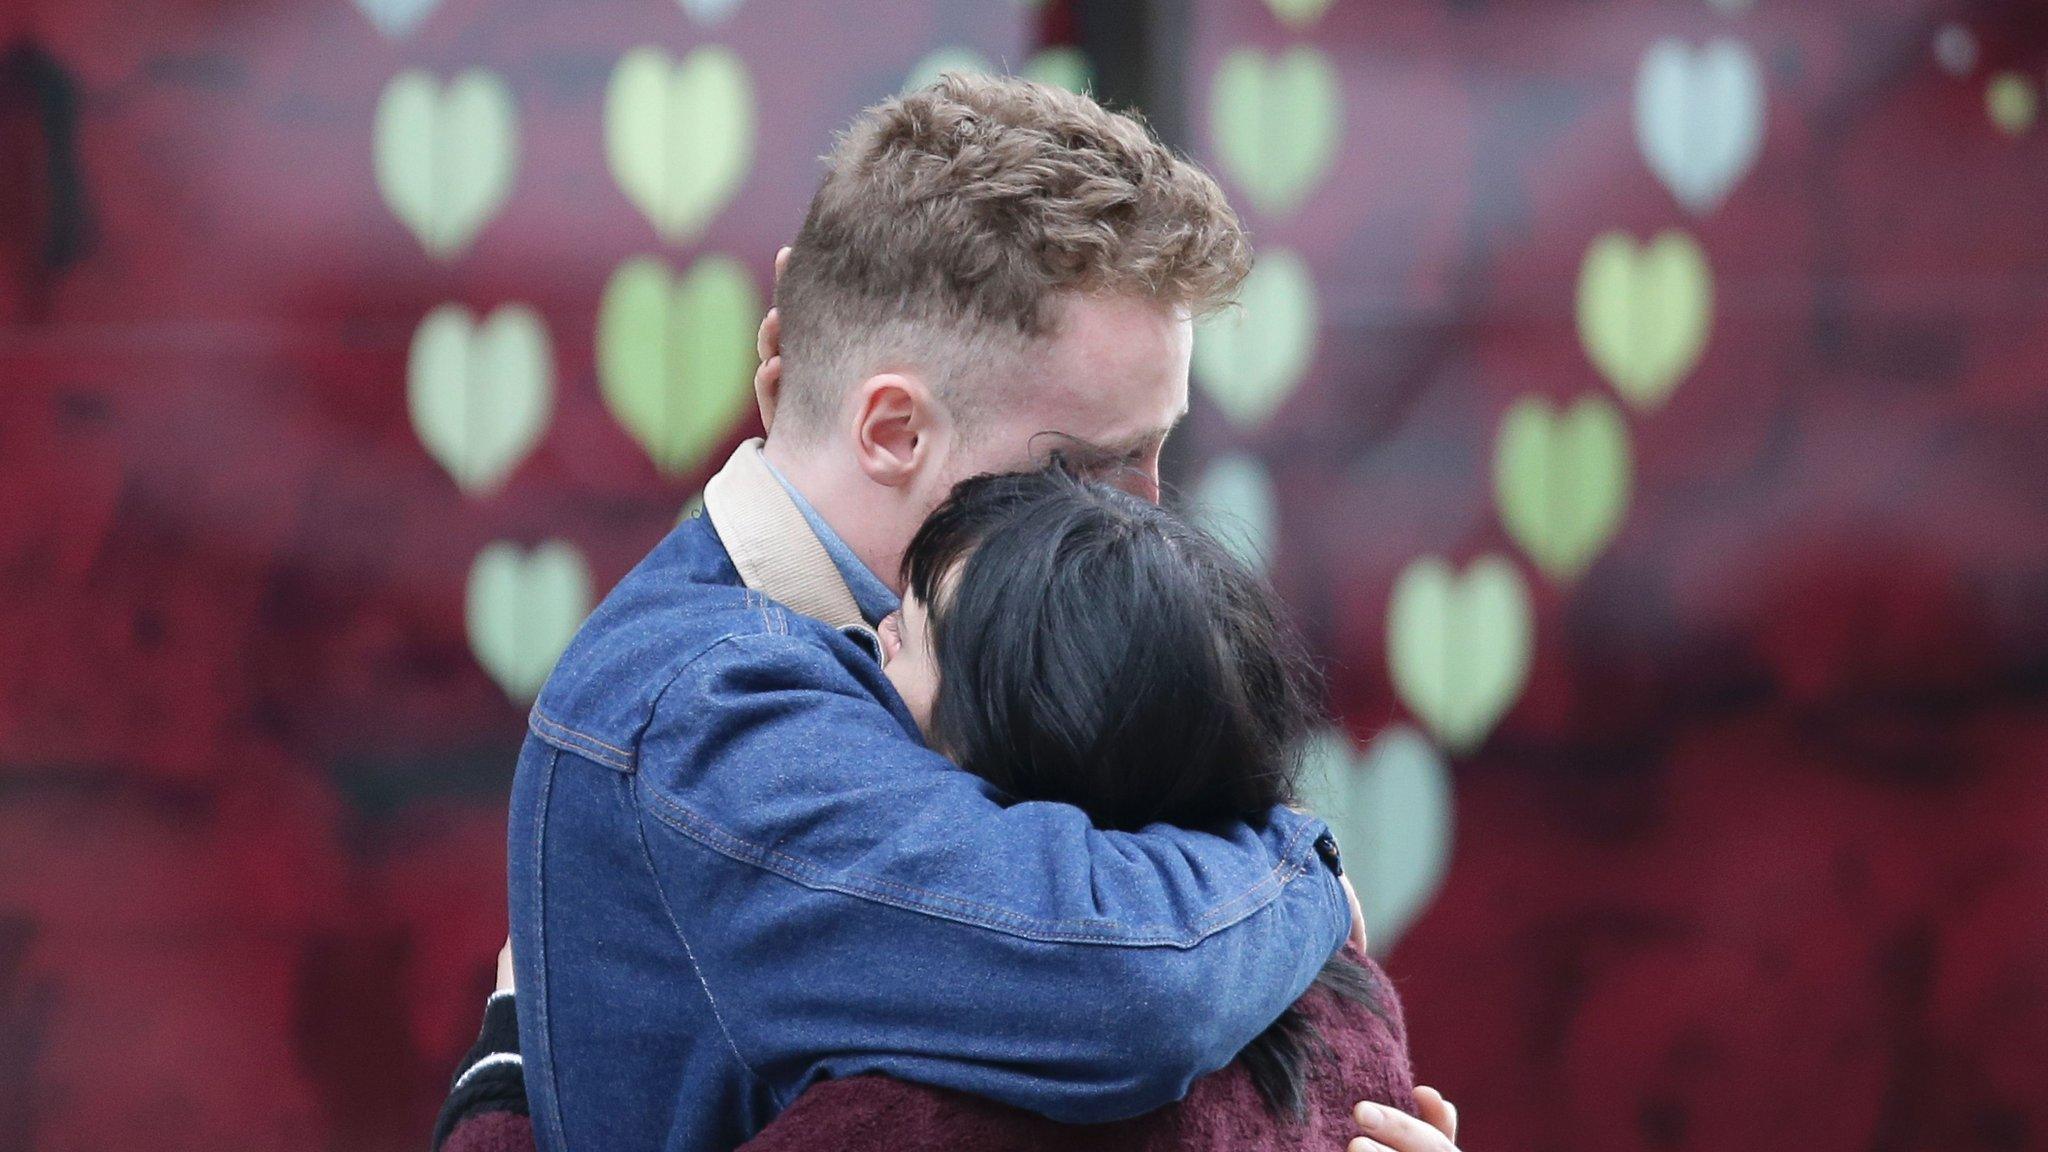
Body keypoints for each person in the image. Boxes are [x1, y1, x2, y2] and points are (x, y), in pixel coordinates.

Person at [499, 72, 1464, 1152]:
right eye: (1090, 463)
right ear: (894, 431)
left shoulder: (876, 658)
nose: (1146, 508)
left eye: (1159, 449)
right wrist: (1299, 874)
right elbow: (1126, 990)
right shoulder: (710, 707)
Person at [439, 464, 1459, 1151]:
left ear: (1010, 736)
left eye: (912, 631)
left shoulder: (905, 1109)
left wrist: (504, 1070)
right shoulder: (1344, 1003)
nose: (864, 639)